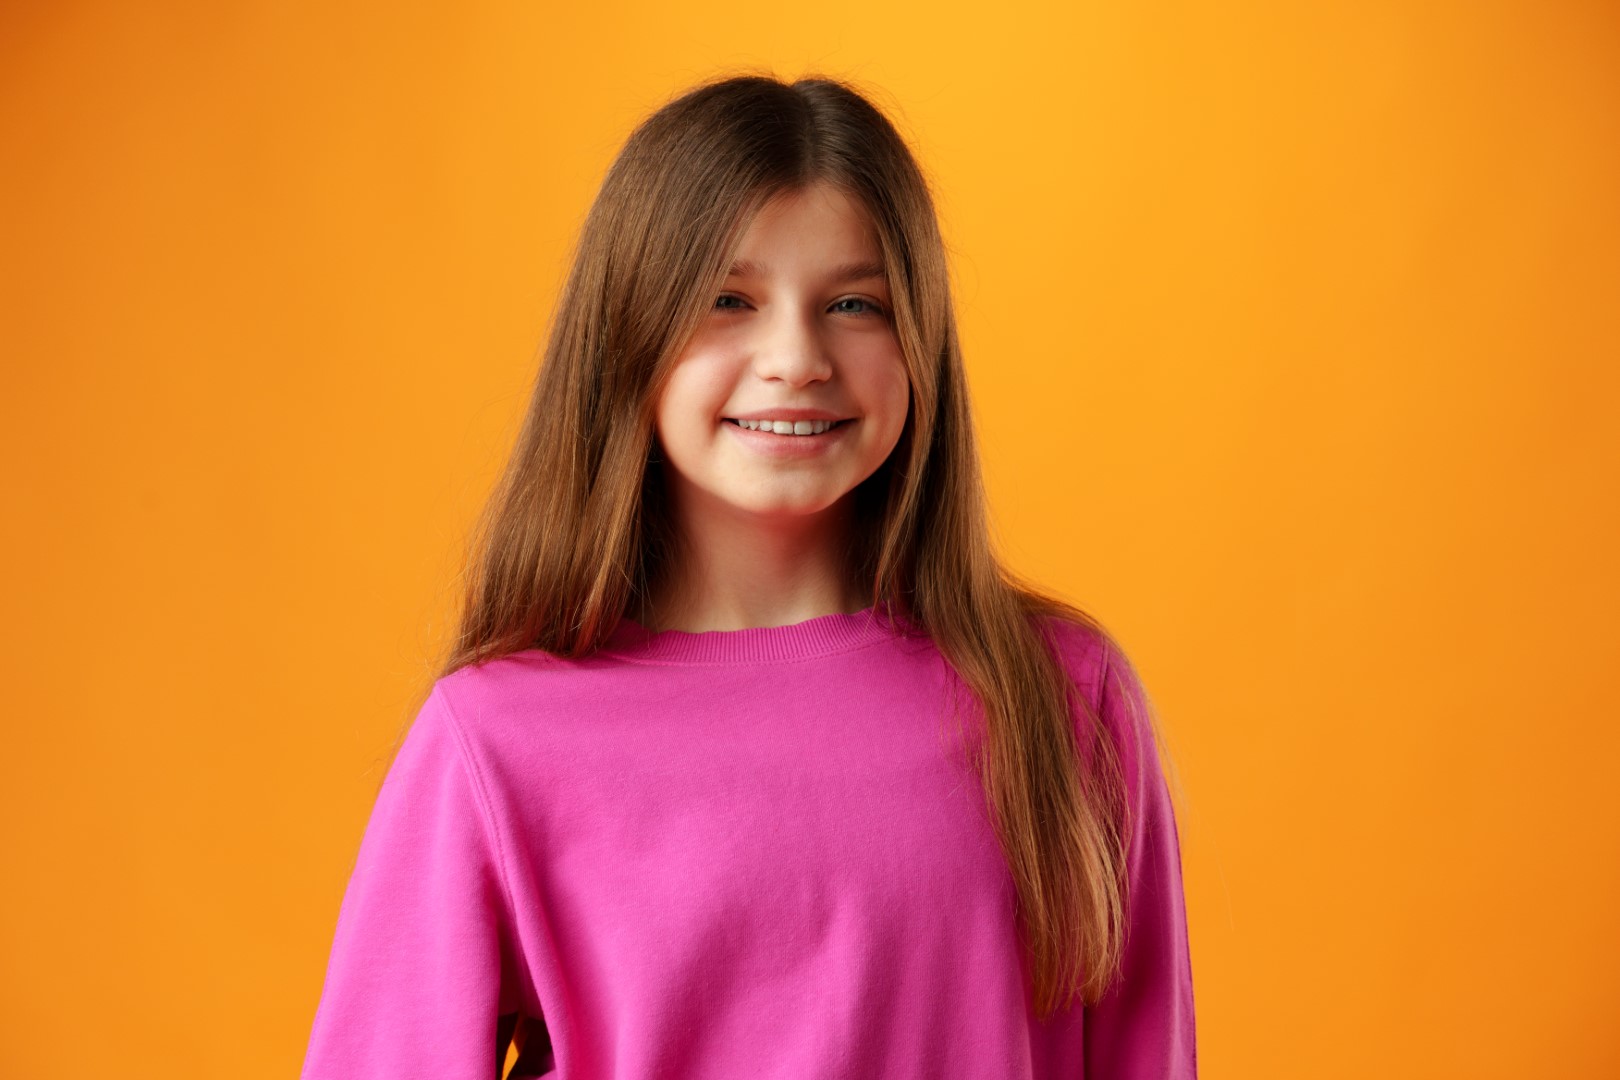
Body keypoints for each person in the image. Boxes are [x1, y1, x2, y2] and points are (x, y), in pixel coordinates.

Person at [299, 73, 1196, 1079]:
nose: (794, 358)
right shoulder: (495, 740)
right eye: (729, 301)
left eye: (853, 303)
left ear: (922, 344)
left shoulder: (1065, 699)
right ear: (627, 337)